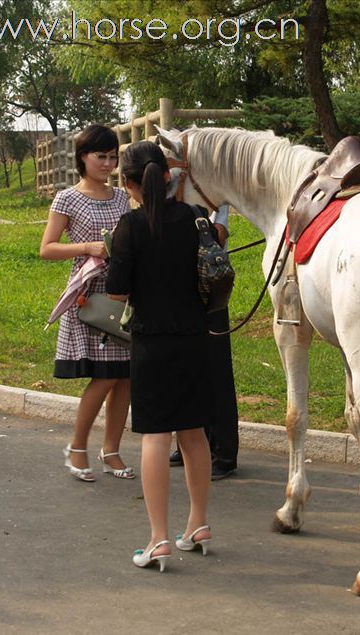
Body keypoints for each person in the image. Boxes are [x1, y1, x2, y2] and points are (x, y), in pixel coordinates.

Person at [106, 140, 212, 572]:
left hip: (151, 341)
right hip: (193, 337)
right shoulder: (193, 218)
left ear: (128, 183)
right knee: (193, 433)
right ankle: (199, 525)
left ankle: (158, 538)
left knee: (154, 437)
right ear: (168, 176)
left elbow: (117, 290)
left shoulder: (128, 227)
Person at [40, 124, 134, 482]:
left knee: (125, 376)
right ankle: (77, 448)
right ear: (83, 157)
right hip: (89, 294)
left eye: (112, 157)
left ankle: (111, 449)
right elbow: (46, 248)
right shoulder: (67, 198)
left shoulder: (122, 196)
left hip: (124, 293)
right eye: (101, 156)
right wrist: (87, 247)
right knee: (103, 377)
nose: (108, 163)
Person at [169, 205, 239, 480]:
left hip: (210, 285)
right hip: (181, 289)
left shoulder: (207, 187)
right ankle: (191, 443)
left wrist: (215, 223)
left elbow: (219, 229)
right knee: (184, 368)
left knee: (216, 369)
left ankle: (224, 452)